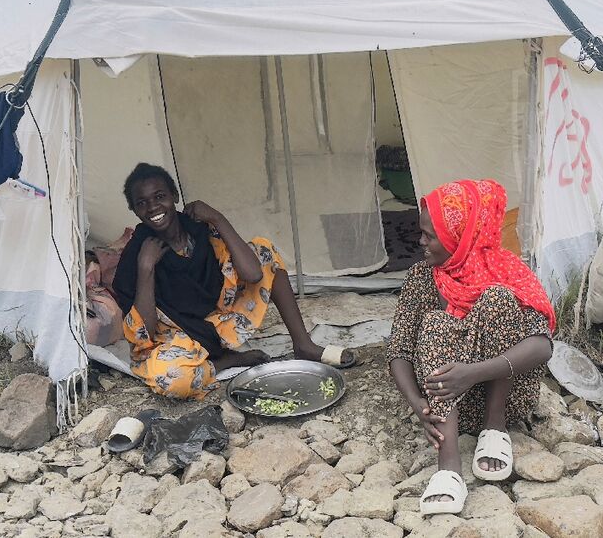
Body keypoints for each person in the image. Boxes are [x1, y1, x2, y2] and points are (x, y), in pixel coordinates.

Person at [112, 163, 355, 399]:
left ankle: (304, 345)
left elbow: (253, 274)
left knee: (264, 251)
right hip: (176, 335)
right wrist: (146, 268)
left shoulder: (199, 229)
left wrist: (218, 218)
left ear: (175, 195)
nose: (153, 207)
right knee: (172, 381)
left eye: (159, 196)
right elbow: (146, 331)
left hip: (217, 317)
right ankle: (228, 361)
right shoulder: (138, 253)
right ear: (134, 210)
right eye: (141, 203)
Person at [387, 179, 556, 516]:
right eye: (421, 232)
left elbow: (542, 346)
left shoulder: (505, 270)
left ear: (458, 236)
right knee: (437, 324)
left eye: (429, 235)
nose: (420, 242)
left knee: (498, 299)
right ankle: (448, 464)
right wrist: (418, 404)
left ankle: (494, 429)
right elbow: (399, 350)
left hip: (506, 400)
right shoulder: (422, 277)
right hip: (445, 407)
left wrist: (472, 373)